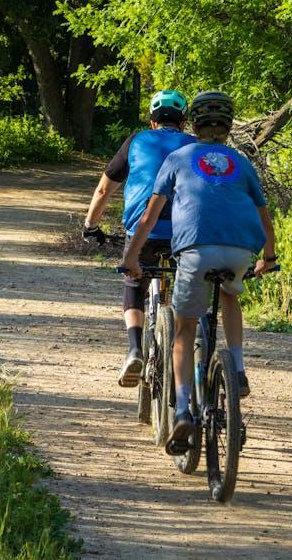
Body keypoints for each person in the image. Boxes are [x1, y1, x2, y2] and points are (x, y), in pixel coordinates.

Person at [120, 91, 277, 452]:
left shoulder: (177, 157)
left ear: (194, 125)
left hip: (193, 249)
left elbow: (148, 215)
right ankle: (236, 370)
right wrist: (269, 256)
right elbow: (263, 216)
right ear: (228, 127)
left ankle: (184, 412)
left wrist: (131, 256)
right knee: (230, 294)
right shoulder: (241, 161)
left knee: (184, 328)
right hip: (240, 250)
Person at [84, 89, 196, 387]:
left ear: (152, 120)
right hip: (186, 233)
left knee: (134, 281)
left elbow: (104, 190)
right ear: (183, 121)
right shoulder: (195, 145)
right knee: (191, 284)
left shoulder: (137, 141)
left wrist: (90, 224)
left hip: (142, 231)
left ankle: (135, 349)